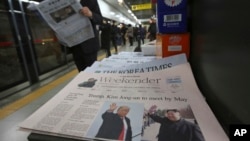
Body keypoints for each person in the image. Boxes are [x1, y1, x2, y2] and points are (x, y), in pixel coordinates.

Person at [69, 0, 103, 72]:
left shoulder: (91, 1)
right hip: (75, 45)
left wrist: (91, 14)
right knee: (81, 73)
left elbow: (100, 19)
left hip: (89, 45)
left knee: (91, 73)